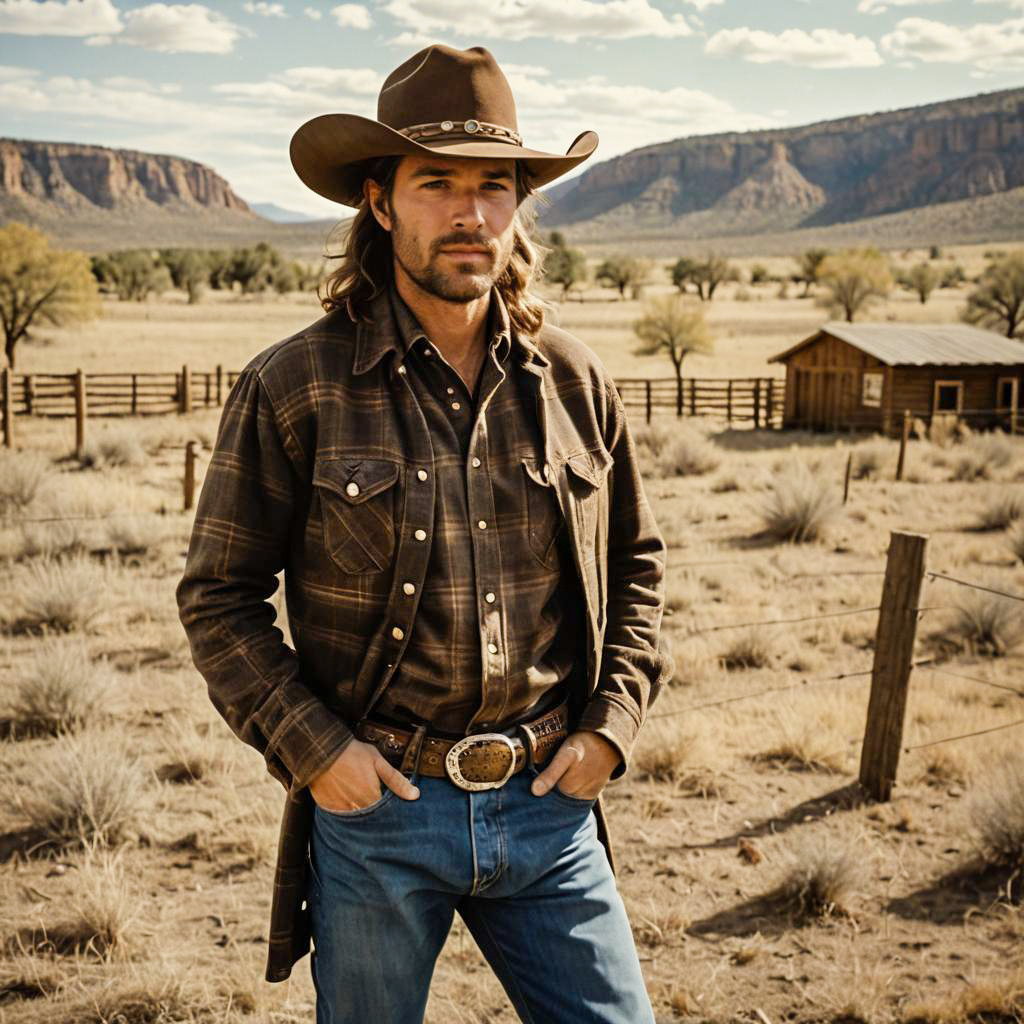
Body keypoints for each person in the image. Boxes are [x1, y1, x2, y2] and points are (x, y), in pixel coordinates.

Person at [176, 43, 672, 1024]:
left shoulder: (572, 382)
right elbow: (218, 596)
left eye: (496, 185)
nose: (471, 211)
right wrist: (318, 753)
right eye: (437, 182)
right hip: (380, 812)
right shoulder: (297, 384)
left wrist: (611, 726)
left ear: (519, 204)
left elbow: (637, 565)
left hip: (548, 801)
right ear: (379, 199)